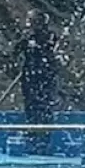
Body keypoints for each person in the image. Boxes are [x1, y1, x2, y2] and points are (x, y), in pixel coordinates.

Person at [15, 10, 60, 155]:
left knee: (45, 106)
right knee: (30, 106)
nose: (31, 24)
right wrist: (25, 42)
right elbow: (15, 51)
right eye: (30, 21)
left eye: (34, 21)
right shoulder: (27, 37)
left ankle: (45, 138)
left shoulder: (50, 35)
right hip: (29, 77)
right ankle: (32, 136)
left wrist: (37, 45)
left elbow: (50, 49)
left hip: (46, 77)